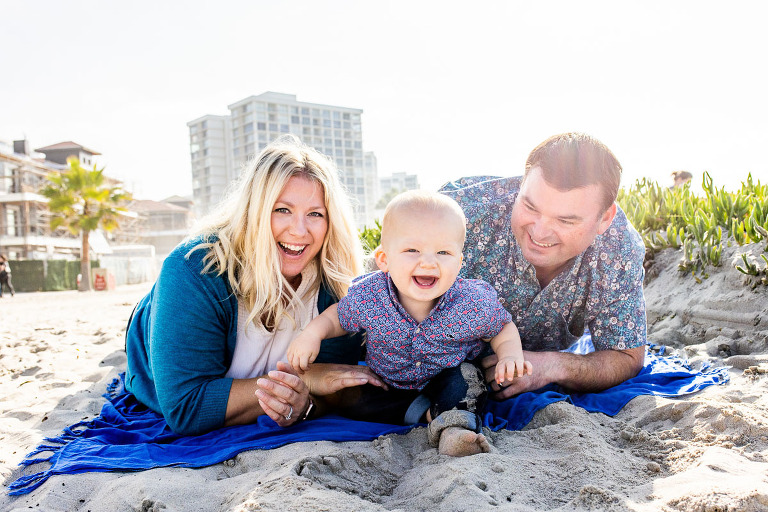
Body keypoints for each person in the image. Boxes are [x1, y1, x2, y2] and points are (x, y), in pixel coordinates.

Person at [124, 135, 386, 435]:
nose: (299, 231)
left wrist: (306, 403)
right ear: (255, 212)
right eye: (282, 210)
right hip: (156, 320)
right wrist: (306, 380)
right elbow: (187, 408)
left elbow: (332, 388)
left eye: (315, 214)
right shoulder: (192, 269)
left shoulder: (335, 281)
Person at [287, 191, 532, 456]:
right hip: (388, 382)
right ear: (384, 259)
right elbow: (337, 317)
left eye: (443, 251)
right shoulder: (371, 296)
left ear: (459, 263)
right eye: (412, 250)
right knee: (354, 396)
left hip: (446, 374)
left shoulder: (471, 302)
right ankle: (425, 413)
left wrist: (510, 355)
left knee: (466, 381)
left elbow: (502, 326)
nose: (428, 261)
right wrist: (311, 334)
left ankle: (455, 430)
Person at [439, 132, 647, 400]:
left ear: (605, 219)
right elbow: (388, 276)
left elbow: (627, 356)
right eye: (529, 206)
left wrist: (550, 366)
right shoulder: (457, 212)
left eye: (566, 221)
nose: (539, 232)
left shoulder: (619, 248)